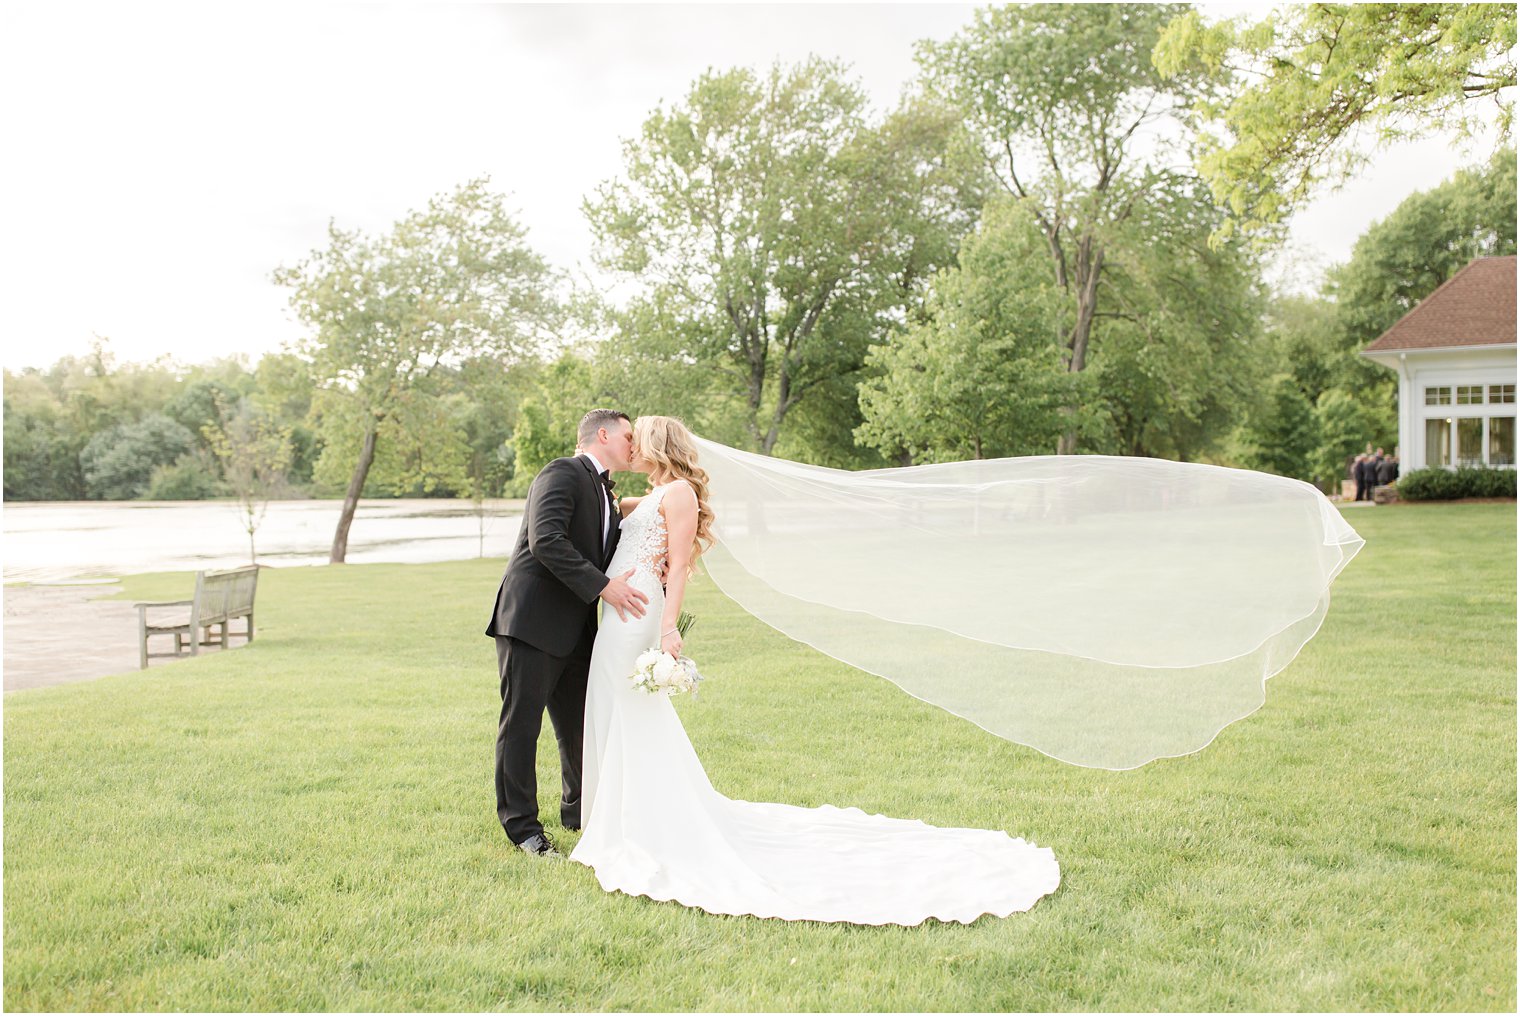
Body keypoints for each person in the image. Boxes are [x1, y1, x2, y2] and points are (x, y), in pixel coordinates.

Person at [565, 415, 1060, 925]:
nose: (629, 446)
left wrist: (669, 628)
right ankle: (616, 815)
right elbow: (603, 517)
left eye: (635, 438)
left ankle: (645, 823)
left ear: (654, 443)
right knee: (614, 704)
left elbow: (683, 564)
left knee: (634, 710)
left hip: (640, 615)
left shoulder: (681, 494)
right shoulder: (649, 494)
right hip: (616, 612)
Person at [484, 409, 654, 857]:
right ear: (602, 434)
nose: (634, 444)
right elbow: (546, 540)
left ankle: (579, 814)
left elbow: (607, 544)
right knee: (521, 726)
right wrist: (604, 587)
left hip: (578, 630)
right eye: (628, 435)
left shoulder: (606, 493)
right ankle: (522, 829)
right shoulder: (561, 471)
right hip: (533, 621)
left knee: (581, 727)